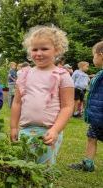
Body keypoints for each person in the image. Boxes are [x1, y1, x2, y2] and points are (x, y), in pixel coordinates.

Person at [10, 25, 74, 165]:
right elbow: (17, 103)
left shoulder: (62, 76)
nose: (39, 53)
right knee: (24, 169)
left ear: (56, 50)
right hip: (25, 131)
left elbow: (68, 106)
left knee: (43, 173)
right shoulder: (24, 74)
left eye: (44, 49)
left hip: (49, 132)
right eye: (34, 49)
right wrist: (14, 127)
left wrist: (55, 130)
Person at [69, 41, 103, 172]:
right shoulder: (100, 73)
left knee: (92, 137)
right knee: (91, 136)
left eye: (94, 55)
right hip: (97, 116)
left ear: (101, 55)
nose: (93, 58)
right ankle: (88, 164)